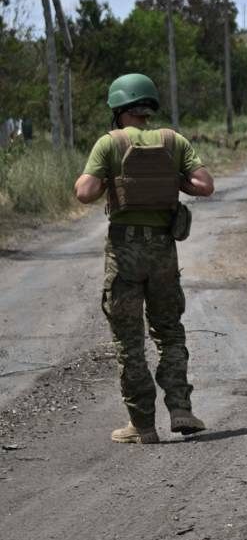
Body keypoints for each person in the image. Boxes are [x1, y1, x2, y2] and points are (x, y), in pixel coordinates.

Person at [73, 73, 214, 444]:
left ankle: (143, 424)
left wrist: (109, 179)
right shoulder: (173, 141)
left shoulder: (110, 144)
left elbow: (84, 193)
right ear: (149, 106)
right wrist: (174, 180)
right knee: (169, 332)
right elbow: (204, 186)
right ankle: (181, 408)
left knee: (129, 340)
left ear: (118, 109)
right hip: (164, 251)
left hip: (125, 254)